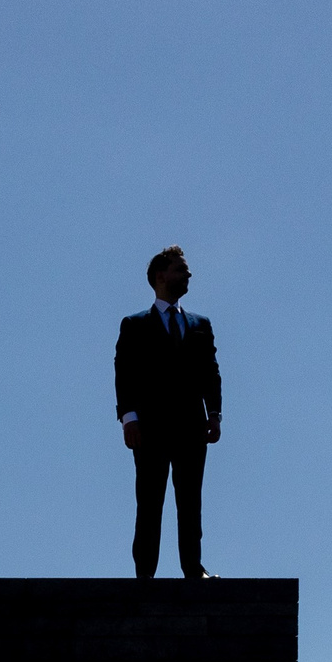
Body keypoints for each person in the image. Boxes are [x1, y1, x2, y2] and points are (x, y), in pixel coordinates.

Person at [115, 245, 222, 579]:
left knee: (190, 501)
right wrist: (129, 418)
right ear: (160, 276)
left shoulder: (200, 324)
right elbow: (124, 372)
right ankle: (145, 575)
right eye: (180, 269)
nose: (188, 274)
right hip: (151, 428)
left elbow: (211, 372)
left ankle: (193, 569)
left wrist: (215, 414)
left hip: (191, 427)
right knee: (150, 502)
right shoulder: (135, 325)